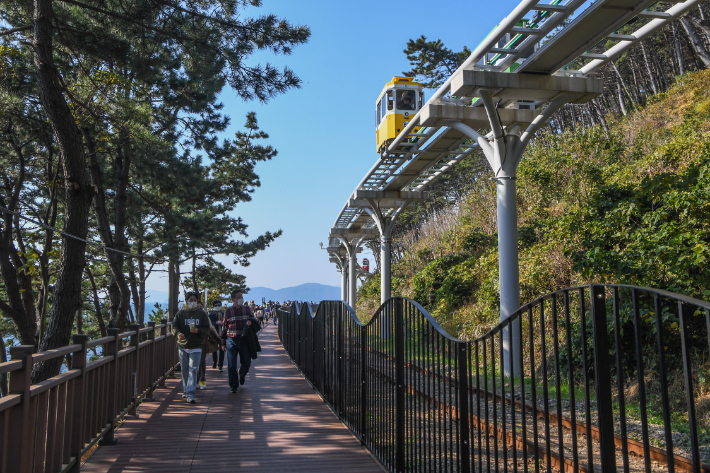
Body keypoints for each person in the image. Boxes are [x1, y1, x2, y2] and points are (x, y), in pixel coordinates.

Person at [171, 292, 209, 403]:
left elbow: (207, 328)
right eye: (190, 300)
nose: (192, 302)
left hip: (197, 345)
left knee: (193, 369)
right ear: (186, 301)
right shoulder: (181, 314)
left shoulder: (201, 314)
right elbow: (174, 326)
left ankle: (191, 394)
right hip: (183, 346)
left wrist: (199, 331)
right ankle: (186, 390)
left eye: (194, 300)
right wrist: (178, 334)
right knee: (185, 370)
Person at [222, 290, 253, 393]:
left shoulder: (248, 309)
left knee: (247, 362)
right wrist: (223, 342)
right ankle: (234, 384)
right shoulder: (228, 312)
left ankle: (242, 373)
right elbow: (224, 328)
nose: (241, 299)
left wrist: (250, 323)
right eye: (239, 297)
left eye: (242, 297)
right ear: (233, 299)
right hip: (231, 339)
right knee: (231, 364)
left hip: (244, 339)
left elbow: (254, 322)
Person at [208, 301, 225, 371]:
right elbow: (209, 323)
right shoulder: (211, 314)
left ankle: (220, 365)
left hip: (222, 333)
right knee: (214, 349)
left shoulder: (224, 314)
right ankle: (214, 361)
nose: (217, 306)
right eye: (216, 305)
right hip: (214, 333)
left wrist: (223, 323)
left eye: (219, 305)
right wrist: (216, 323)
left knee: (222, 349)